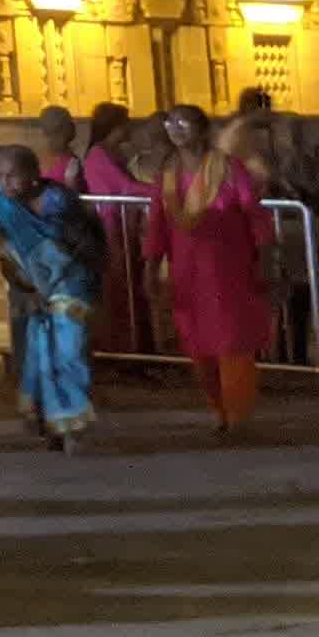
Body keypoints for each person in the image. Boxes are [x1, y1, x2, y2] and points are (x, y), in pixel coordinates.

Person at [150, 104, 272, 436]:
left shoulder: (228, 169)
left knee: (232, 344)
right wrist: (151, 268)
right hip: (186, 274)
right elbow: (157, 226)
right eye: (170, 122)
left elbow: (254, 215)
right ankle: (219, 409)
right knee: (198, 347)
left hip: (228, 271)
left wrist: (266, 258)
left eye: (184, 122)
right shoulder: (168, 174)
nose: (176, 128)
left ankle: (238, 414)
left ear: (203, 129)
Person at [0, 142, 105, 450]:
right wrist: (26, 285)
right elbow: (0, 249)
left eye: (13, 175)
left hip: (71, 285)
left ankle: (71, 424)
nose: (5, 183)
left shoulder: (60, 202)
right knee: (37, 355)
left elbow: (82, 247)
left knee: (69, 352)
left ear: (34, 174)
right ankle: (50, 423)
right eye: (1, 175)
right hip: (28, 289)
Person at [76, 102, 154, 358]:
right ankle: (122, 348)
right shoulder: (99, 155)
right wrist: (160, 191)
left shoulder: (113, 154)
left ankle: (135, 345)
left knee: (130, 285)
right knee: (120, 287)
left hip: (123, 225)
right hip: (111, 228)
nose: (130, 127)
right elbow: (126, 188)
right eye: (125, 123)